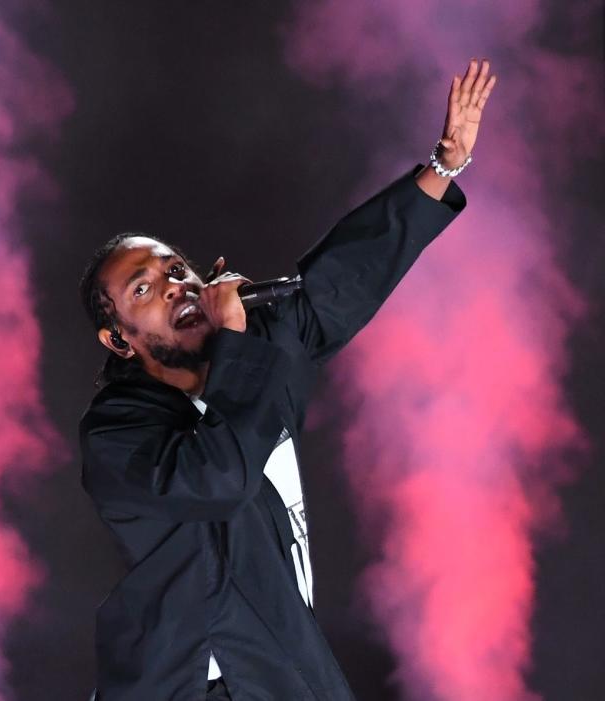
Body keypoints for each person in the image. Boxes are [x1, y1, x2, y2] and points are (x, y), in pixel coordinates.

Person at [77, 59, 496, 700]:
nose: (174, 287)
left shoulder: (258, 345)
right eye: (145, 289)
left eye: (175, 270)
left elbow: (336, 283)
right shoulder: (117, 432)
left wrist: (441, 167)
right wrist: (239, 343)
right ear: (119, 339)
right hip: (181, 687)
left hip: (277, 672)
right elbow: (217, 478)